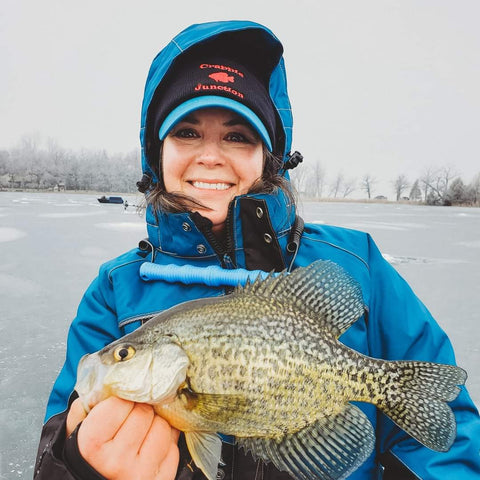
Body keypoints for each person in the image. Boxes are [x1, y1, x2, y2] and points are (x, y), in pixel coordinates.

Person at [34, 20, 480, 480]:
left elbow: (449, 441)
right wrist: (78, 463)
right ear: (156, 152)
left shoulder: (357, 263)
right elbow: (54, 450)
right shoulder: (115, 289)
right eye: (186, 132)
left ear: (269, 156)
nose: (210, 155)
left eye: (237, 135)